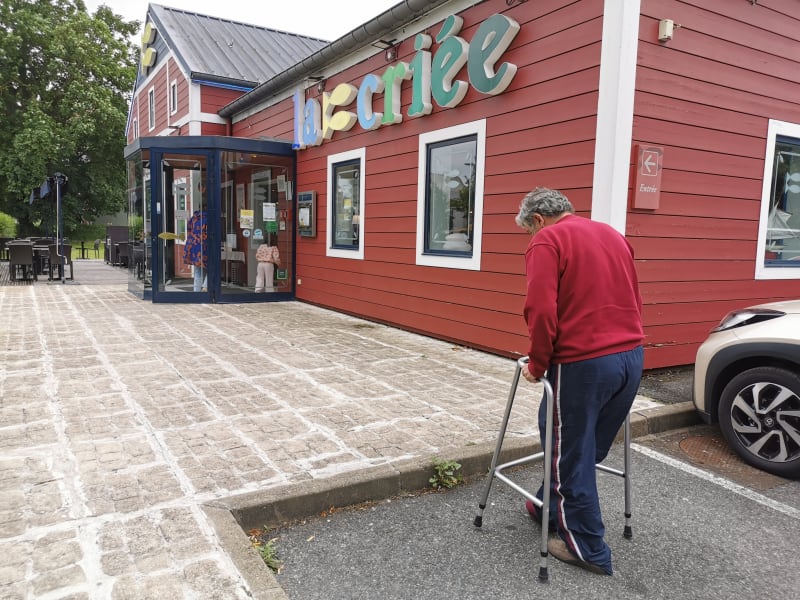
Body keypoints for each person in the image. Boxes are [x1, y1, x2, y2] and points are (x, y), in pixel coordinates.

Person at [515, 187, 644, 576]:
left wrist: (537, 364)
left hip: (583, 361)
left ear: (537, 220)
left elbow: (539, 309)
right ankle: (548, 506)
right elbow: (634, 295)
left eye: (529, 230)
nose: (531, 237)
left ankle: (587, 547)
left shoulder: (547, 240)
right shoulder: (611, 234)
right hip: (631, 356)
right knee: (583, 445)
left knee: (568, 450)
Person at [183, 209, 208, 291]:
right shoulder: (209, 218)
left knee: (198, 271)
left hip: (194, 247)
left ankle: (196, 292)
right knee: (213, 267)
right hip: (205, 246)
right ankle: (205, 285)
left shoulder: (193, 218)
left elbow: (189, 232)